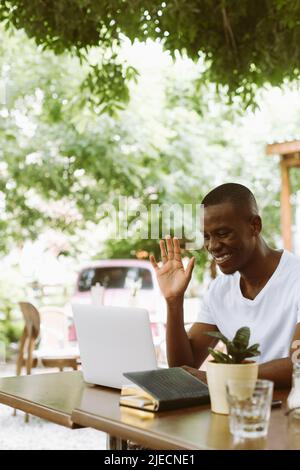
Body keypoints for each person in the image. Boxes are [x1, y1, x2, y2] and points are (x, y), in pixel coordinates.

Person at [150, 183, 300, 388]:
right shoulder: (219, 290)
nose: (212, 246)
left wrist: (224, 377)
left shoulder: (295, 277)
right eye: (206, 236)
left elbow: (298, 364)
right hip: (240, 409)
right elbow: (184, 367)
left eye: (222, 233)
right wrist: (174, 301)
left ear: (254, 226)